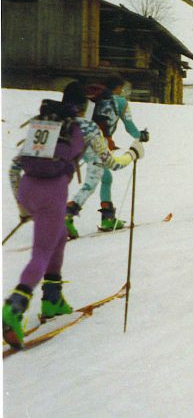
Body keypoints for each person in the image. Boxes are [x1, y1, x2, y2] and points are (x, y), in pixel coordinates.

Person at [4, 82, 144, 348]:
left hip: (27, 188)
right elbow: (111, 163)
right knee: (41, 253)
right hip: (53, 193)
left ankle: (52, 298)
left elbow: (14, 166)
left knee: (58, 238)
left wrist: (22, 204)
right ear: (84, 105)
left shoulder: (42, 123)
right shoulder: (87, 127)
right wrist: (133, 154)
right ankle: (15, 306)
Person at [65, 74, 145, 235]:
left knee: (105, 177)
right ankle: (68, 214)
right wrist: (140, 136)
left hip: (75, 138)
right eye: (121, 88)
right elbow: (129, 126)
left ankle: (108, 216)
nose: (122, 91)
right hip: (96, 142)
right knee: (92, 182)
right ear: (117, 88)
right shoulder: (120, 102)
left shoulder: (92, 100)